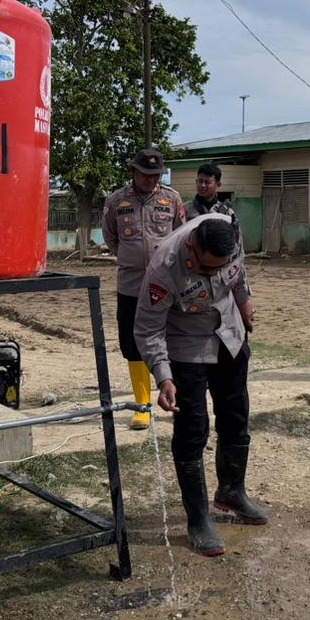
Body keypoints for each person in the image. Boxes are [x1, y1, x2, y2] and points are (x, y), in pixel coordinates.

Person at [135, 213, 262, 557]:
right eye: (204, 269)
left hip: (230, 339)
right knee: (193, 433)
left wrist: (244, 300)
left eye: (218, 267)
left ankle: (232, 493)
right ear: (191, 247)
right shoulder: (164, 267)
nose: (211, 275)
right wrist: (163, 376)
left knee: (236, 419)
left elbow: (237, 277)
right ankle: (198, 519)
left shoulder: (229, 235)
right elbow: (147, 329)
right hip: (186, 349)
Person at [101, 149, 185, 430]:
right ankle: (143, 406)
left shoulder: (172, 199)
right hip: (131, 285)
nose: (150, 180)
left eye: (155, 175)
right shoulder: (116, 201)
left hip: (165, 283)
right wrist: (132, 257)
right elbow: (111, 238)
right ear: (134, 172)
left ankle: (175, 400)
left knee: (172, 340)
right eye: (145, 174)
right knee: (133, 344)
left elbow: (180, 235)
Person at [184, 163, 240, 238]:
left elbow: (236, 239)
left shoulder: (227, 212)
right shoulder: (185, 210)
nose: (203, 185)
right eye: (200, 181)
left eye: (207, 182)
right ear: (196, 181)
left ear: (218, 184)